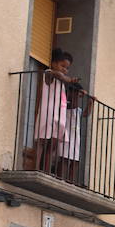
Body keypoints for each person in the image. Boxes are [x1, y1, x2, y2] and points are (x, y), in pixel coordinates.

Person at [34, 48, 76, 177]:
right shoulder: (49, 73)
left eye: (67, 68)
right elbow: (57, 75)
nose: (64, 69)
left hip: (59, 116)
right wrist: (67, 79)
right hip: (48, 113)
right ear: (53, 64)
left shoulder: (61, 83)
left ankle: (45, 169)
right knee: (41, 141)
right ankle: (35, 167)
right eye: (62, 66)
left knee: (53, 143)